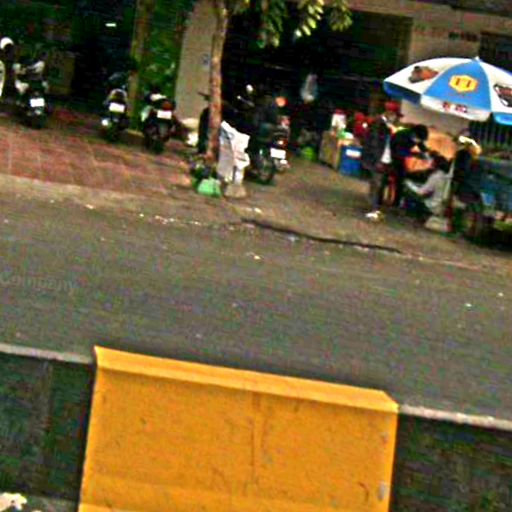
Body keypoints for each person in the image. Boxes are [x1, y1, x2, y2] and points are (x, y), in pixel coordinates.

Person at [361, 101, 402, 221]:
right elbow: (374, 142)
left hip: (384, 159)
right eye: (395, 115)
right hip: (378, 159)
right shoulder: (378, 123)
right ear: (389, 113)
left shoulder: (386, 125)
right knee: (377, 184)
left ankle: (373, 207)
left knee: (378, 184)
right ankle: (373, 208)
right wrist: (378, 159)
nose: (395, 118)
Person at [390, 123, 430, 208]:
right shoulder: (401, 136)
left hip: (400, 157)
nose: (418, 141)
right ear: (414, 133)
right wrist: (415, 154)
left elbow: (421, 144)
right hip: (391, 157)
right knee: (399, 179)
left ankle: (397, 201)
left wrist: (426, 152)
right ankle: (394, 202)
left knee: (401, 178)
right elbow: (398, 151)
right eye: (418, 139)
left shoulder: (415, 136)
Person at [404, 153, 450, 221]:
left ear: (435, 164)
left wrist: (409, 184)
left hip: (432, 205)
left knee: (408, 192)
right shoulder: (444, 176)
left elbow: (421, 192)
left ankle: (412, 216)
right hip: (439, 203)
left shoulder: (435, 176)